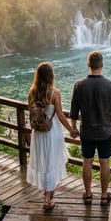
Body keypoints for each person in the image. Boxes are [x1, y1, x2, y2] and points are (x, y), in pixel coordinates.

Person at [70, 51, 111, 206]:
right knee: (104, 162)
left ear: (88, 65)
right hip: (105, 132)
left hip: (87, 131)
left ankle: (87, 194)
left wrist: (73, 128)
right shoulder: (110, 85)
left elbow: (74, 112)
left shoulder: (79, 85)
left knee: (87, 162)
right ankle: (104, 195)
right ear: (102, 64)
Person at [27, 62, 79, 210]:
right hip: (52, 132)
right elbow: (61, 116)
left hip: (38, 133)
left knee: (44, 162)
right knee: (51, 162)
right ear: (51, 76)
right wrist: (71, 130)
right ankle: (47, 199)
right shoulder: (54, 93)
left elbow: (31, 113)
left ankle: (47, 192)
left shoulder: (32, 92)